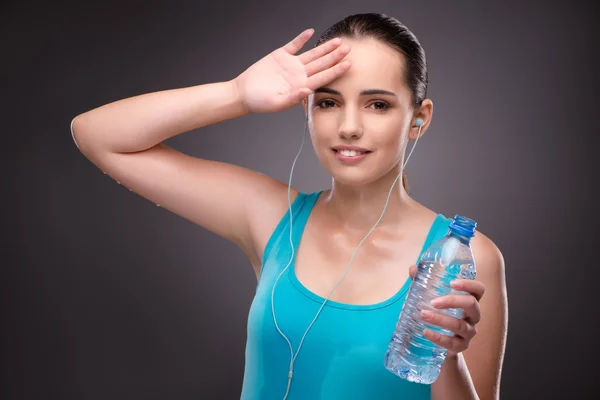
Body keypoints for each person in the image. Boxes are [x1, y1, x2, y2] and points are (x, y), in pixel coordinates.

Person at [71, 12, 507, 400]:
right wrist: (238, 94)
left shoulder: (467, 258)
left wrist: (448, 357)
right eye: (329, 102)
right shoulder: (269, 216)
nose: (349, 127)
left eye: (377, 104)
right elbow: (99, 136)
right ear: (307, 108)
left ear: (418, 119)